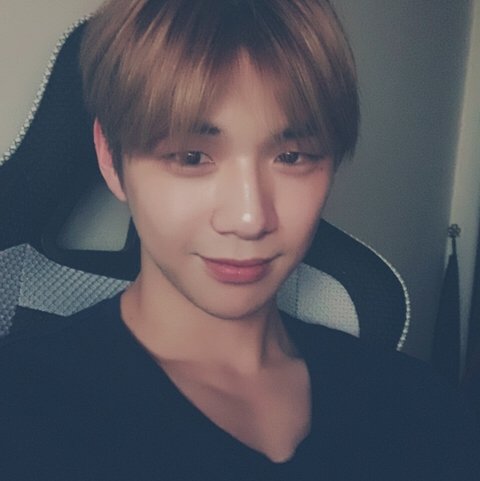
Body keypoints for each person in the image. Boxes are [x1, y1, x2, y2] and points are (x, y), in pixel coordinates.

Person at [0, 0, 478, 479]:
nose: (250, 219)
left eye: (292, 156)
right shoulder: (19, 409)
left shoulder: (420, 405)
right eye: (191, 156)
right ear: (110, 157)